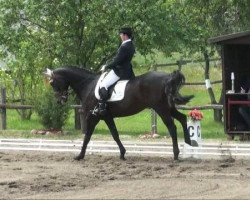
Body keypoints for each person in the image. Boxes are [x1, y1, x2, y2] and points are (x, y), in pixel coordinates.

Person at [92, 27, 136, 116]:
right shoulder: (131, 45)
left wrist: (106, 66)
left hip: (119, 71)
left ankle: (102, 107)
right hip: (128, 71)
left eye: (121, 34)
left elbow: (117, 61)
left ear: (125, 35)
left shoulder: (124, 46)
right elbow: (119, 58)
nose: (120, 36)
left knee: (103, 85)